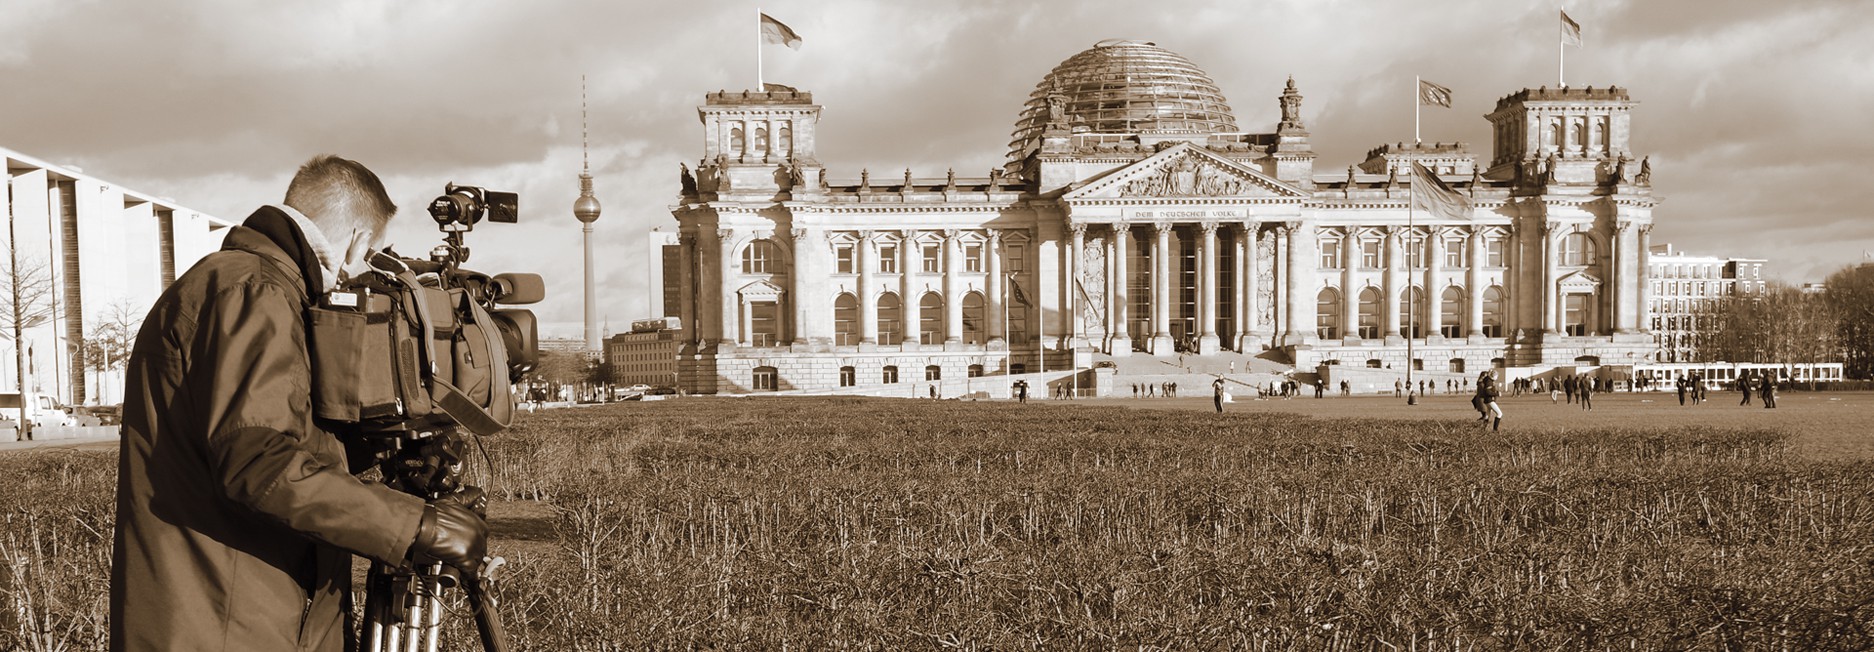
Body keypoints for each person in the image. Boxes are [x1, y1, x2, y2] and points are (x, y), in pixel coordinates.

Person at [111, 156, 488, 651]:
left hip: (231, 610)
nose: (360, 271)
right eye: (370, 252)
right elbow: (258, 464)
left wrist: (371, 456)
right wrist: (411, 527)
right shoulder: (254, 290)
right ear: (354, 239)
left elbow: (272, 438)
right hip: (225, 622)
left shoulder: (248, 285)